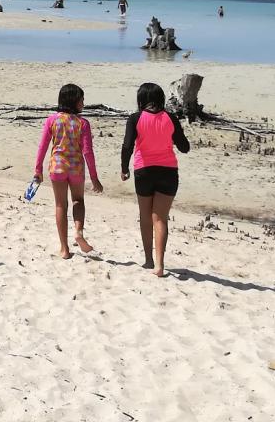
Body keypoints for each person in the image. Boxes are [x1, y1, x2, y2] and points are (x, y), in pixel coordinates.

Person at [120, 83, 191, 277]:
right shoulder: (171, 118)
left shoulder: (135, 118)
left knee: (145, 216)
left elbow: (127, 146)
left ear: (140, 100)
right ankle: (160, 265)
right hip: (168, 172)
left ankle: (148, 260)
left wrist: (124, 169)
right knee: (160, 218)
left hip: (143, 171)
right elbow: (185, 147)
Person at [32, 84, 103, 259]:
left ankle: (64, 249)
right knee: (78, 201)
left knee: (60, 205)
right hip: (76, 168)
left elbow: (43, 146)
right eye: (82, 100)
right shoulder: (83, 123)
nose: (84, 103)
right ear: (73, 101)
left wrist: (38, 169)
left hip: (57, 167)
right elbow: (87, 152)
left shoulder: (52, 120)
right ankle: (78, 232)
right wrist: (95, 178)